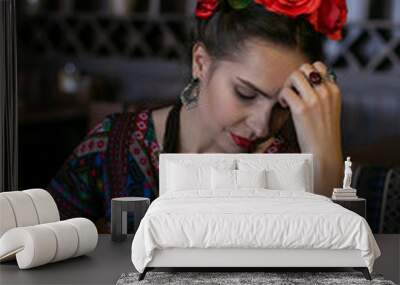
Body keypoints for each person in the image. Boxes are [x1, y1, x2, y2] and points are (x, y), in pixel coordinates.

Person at [47, 0, 347, 233]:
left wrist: (326, 156)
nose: (262, 125)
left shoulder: (289, 165)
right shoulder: (114, 144)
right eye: (245, 93)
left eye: (283, 105)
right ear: (201, 63)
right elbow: (38, 238)